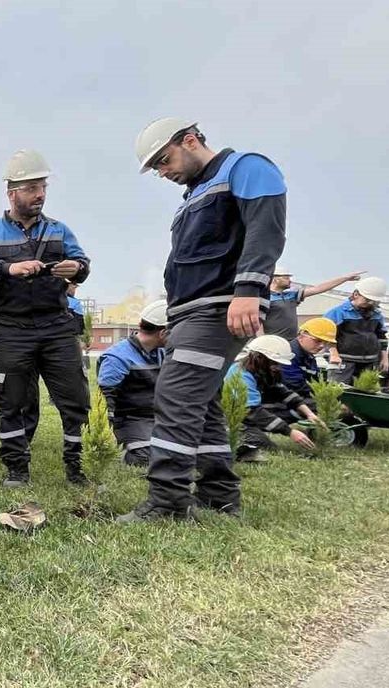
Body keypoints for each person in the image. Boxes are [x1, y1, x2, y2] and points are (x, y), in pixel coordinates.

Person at [118, 118, 287, 522]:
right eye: (157, 167)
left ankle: (168, 502)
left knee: (174, 397)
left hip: (219, 306)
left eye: (164, 160)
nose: (163, 172)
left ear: (190, 140)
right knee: (202, 402)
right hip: (192, 311)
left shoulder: (245, 168)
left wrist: (248, 289)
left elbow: (265, 229)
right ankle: (219, 495)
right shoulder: (194, 193)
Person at [0, 149, 92, 488]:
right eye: (32, 188)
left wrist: (76, 268)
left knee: (76, 400)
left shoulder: (60, 231)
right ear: (12, 193)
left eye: (43, 187)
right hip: (9, 330)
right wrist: (7, 269)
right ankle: (16, 470)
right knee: (10, 402)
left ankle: (77, 469)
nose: (40, 195)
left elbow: (83, 262)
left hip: (57, 327)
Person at [96, 300, 169, 466]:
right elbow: (105, 401)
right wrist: (108, 435)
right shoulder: (118, 358)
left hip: (157, 417)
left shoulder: (163, 353)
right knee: (145, 458)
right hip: (130, 420)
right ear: (163, 333)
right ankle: (123, 453)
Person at [226, 335, 319, 462]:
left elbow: (282, 392)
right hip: (231, 417)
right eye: (275, 363)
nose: (278, 366)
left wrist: (310, 414)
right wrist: (290, 432)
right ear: (260, 358)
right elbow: (251, 411)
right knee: (262, 444)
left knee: (310, 406)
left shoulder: (262, 369)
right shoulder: (240, 374)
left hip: (249, 413)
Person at [265, 267, 364, 340]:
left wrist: (345, 278)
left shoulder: (291, 295)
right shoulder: (264, 297)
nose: (290, 280)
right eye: (286, 277)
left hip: (292, 340)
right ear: (275, 279)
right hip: (272, 340)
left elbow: (318, 288)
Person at [325, 277, 389, 383]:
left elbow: (382, 337)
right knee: (339, 391)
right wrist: (334, 354)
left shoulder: (377, 315)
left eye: (374, 302)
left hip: (369, 361)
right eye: (367, 300)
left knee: (365, 392)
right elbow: (326, 336)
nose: (370, 303)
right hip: (343, 360)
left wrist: (385, 358)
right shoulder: (338, 313)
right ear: (356, 294)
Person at [280, 317, 336, 406]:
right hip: (285, 401)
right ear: (301, 335)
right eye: (317, 341)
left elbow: (316, 381)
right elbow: (294, 385)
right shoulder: (288, 354)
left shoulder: (308, 355)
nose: (322, 346)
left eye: (326, 343)